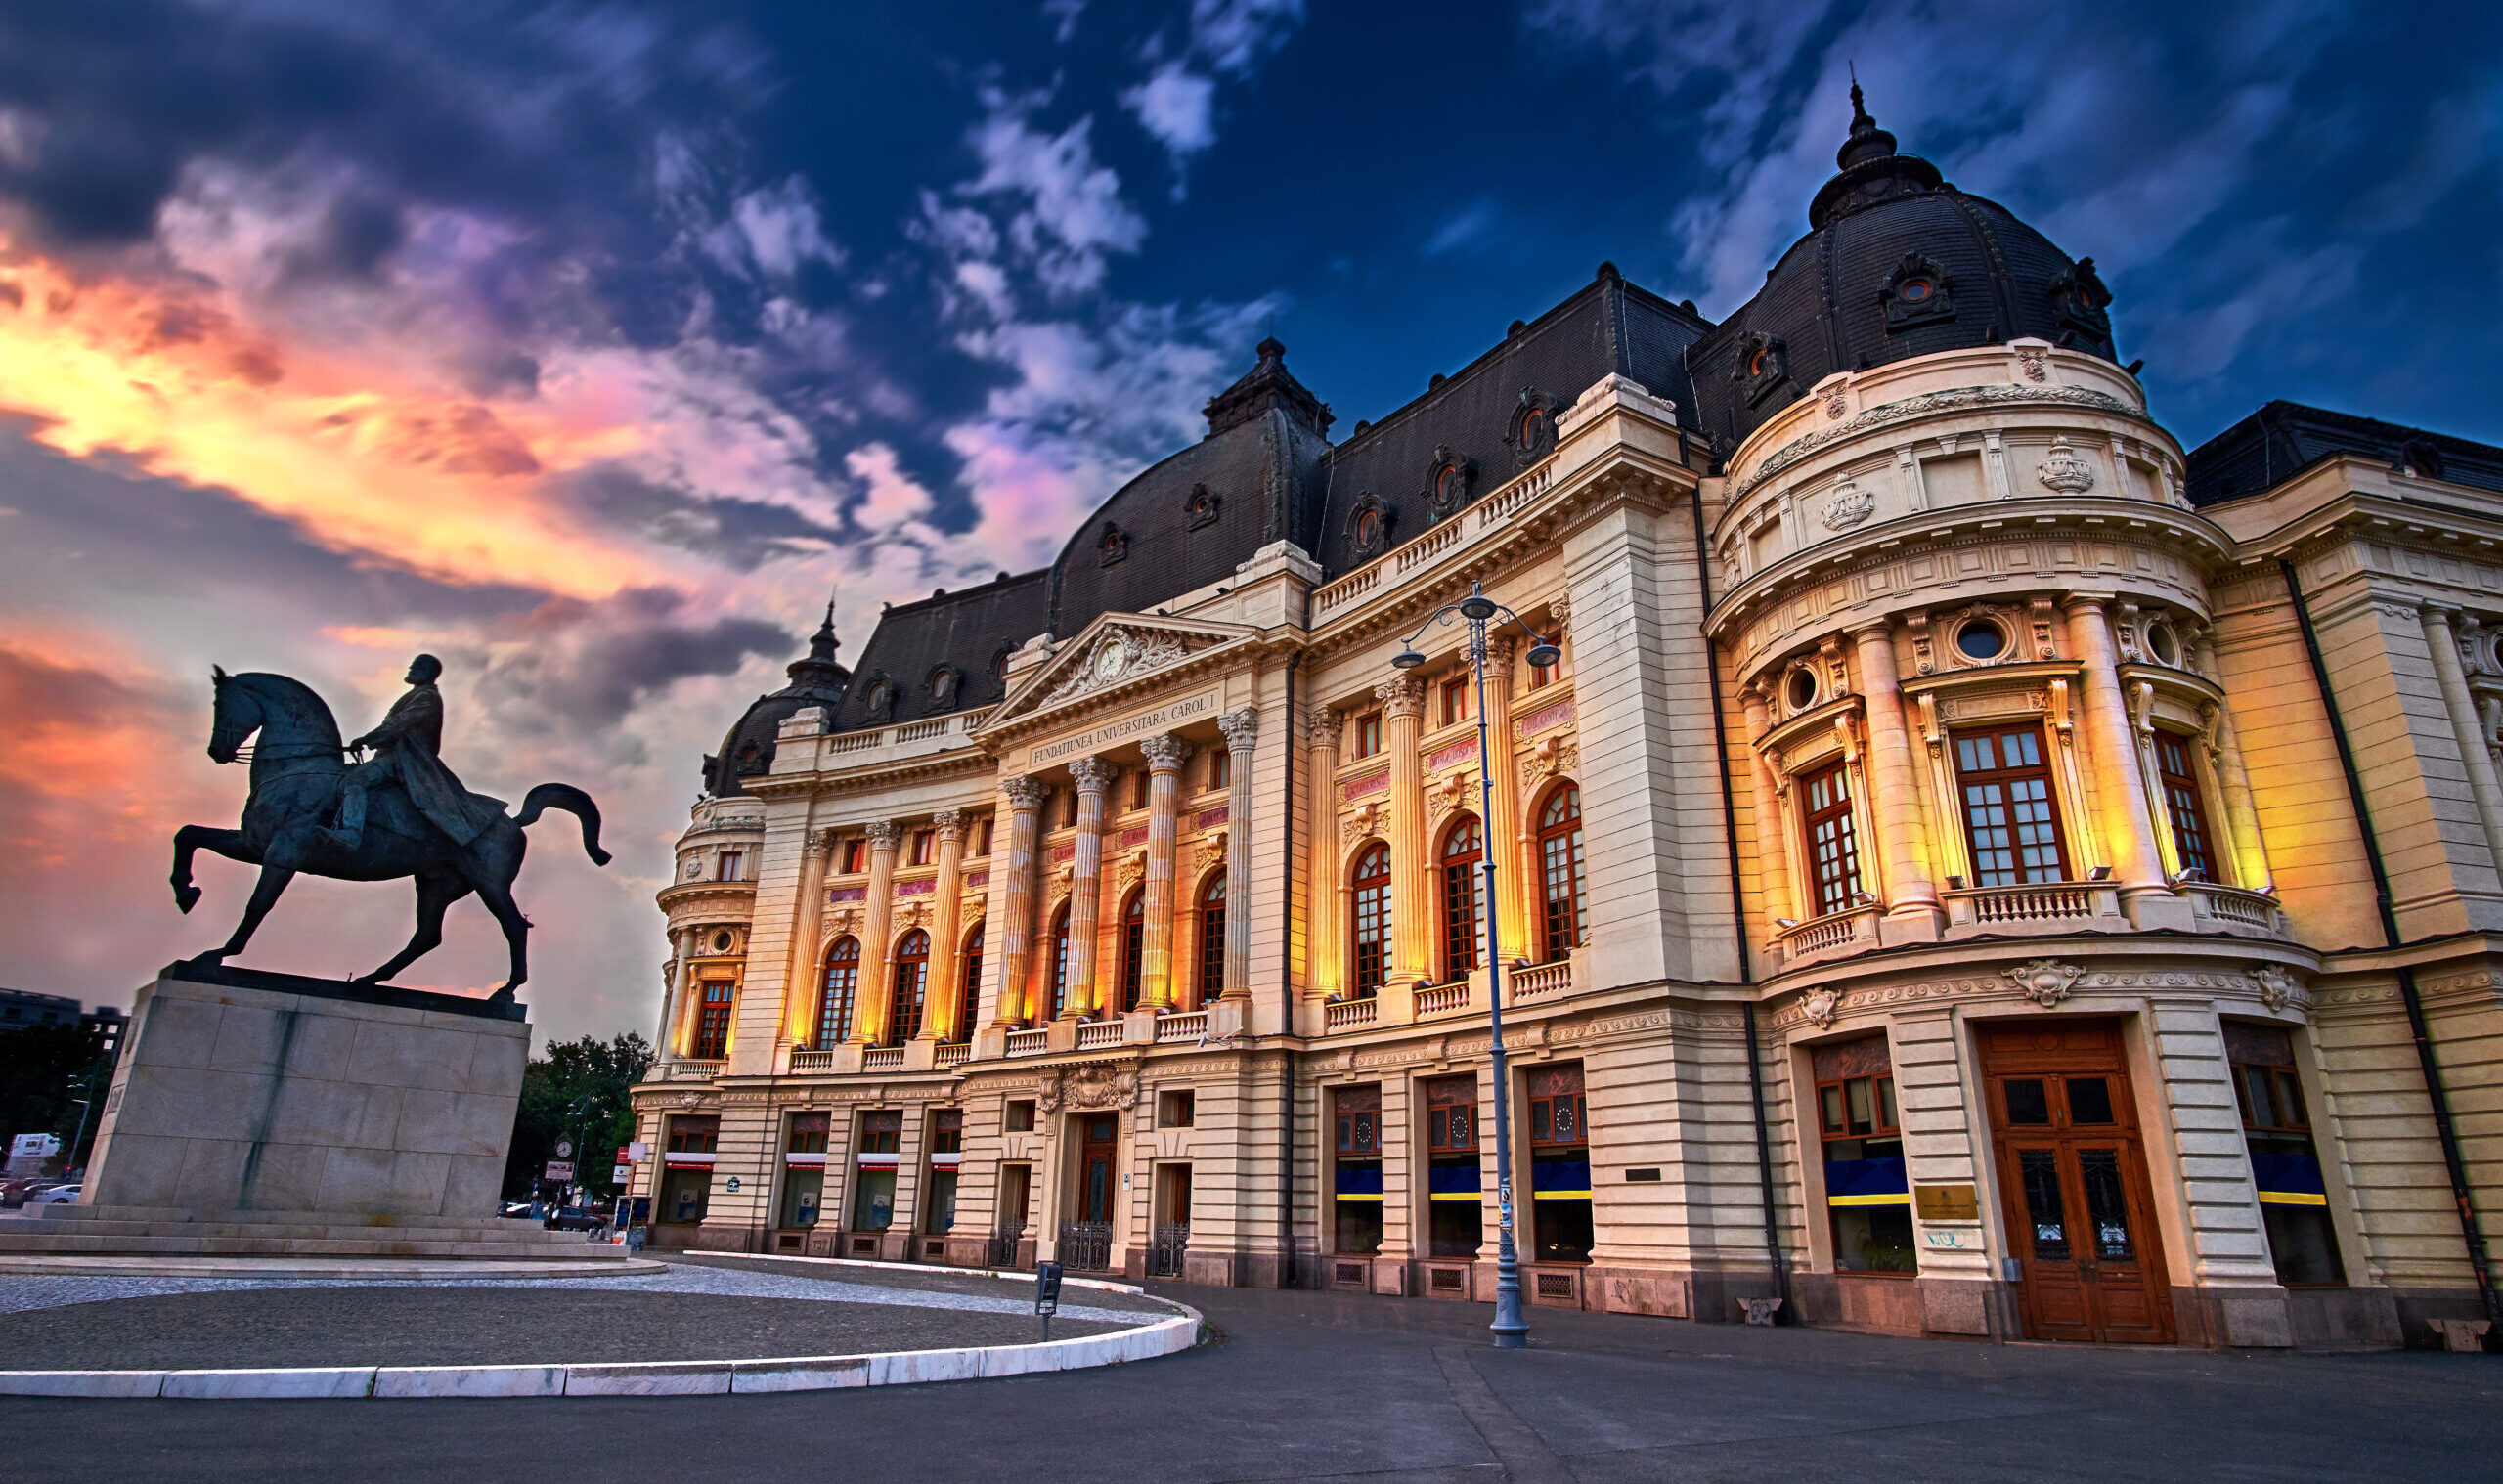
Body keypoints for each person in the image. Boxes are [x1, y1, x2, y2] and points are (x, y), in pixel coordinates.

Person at [325, 654, 505, 851]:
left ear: (429, 672)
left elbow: (399, 724)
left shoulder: (427, 697)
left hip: (406, 759)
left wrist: (366, 739)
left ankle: (351, 833)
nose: (411, 668)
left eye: (417, 666)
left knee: (354, 781)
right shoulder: (418, 694)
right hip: (392, 755)